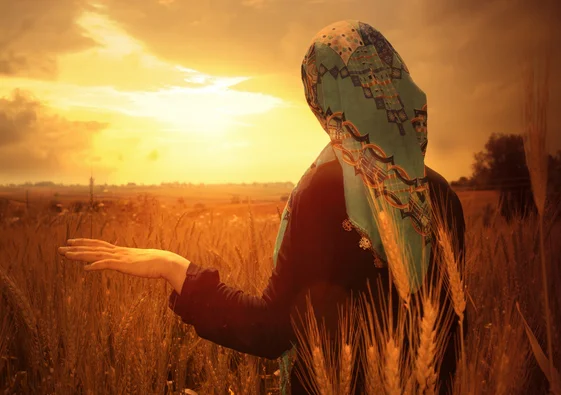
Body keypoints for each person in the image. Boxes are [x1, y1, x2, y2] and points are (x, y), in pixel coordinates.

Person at [59, 20, 466, 395]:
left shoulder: (323, 190)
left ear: (322, 96)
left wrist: (175, 268)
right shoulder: (442, 195)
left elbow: (272, 330)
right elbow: (453, 336)